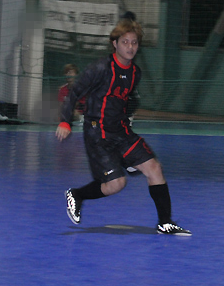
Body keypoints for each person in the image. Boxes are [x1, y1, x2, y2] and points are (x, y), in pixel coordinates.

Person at [56, 16, 191, 236]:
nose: (130, 47)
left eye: (134, 42)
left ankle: (165, 222)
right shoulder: (100, 67)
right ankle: (77, 195)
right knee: (116, 184)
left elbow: (126, 100)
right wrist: (65, 121)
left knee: (154, 168)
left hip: (121, 130)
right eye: (125, 42)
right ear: (115, 43)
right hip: (97, 132)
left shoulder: (135, 73)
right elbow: (74, 92)